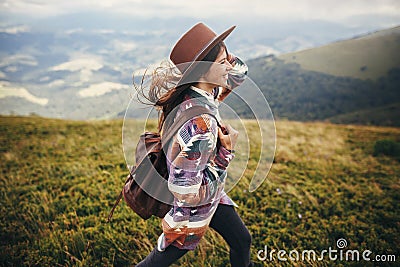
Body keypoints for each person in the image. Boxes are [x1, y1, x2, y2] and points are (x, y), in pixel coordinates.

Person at [135, 22, 254, 267]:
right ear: (201, 72)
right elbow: (186, 192)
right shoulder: (201, 124)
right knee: (158, 261)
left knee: (242, 239)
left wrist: (219, 51)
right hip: (191, 212)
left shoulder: (199, 93)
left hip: (212, 196)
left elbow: (240, 73)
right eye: (223, 63)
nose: (230, 67)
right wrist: (226, 152)